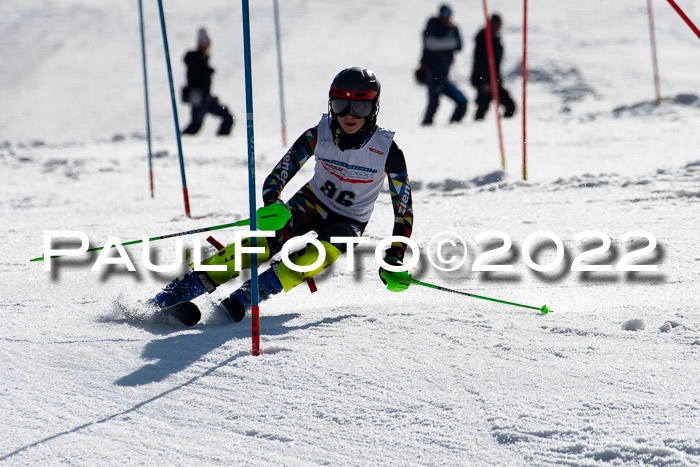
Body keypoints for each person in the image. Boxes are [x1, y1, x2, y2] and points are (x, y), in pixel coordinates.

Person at [152, 67, 414, 321]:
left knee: (317, 253)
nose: (349, 115)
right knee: (257, 245)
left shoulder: (388, 150)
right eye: (339, 105)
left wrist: (396, 255)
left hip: (349, 221)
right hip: (309, 203)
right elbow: (278, 175)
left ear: (374, 108)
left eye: (360, 107)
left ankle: (246, 297)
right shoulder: (318, 134)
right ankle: (175, 294)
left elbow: (403, 210)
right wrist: (272, 202)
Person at [418, 4, 468, 126]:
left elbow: (459, 46)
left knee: (462, 102)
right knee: (434, 103)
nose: (447, 17)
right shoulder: (433, 24)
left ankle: (453, 125)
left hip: (444, 75)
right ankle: (426, 126)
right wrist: (449, 42)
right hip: (433, 73)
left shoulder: (452, 29)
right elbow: (430, 43)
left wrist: (447, 40)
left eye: (449, 14)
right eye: (444, 14)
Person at [181, 28, 234, 136]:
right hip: (199, 98)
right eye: (203, 42)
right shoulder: (195, 58)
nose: (206, 45)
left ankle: (221, 141)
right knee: (195, 125)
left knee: (227, 117)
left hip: (206, 98)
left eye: (207, 42)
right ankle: (179, 141)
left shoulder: (203, 59)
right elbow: (194, 76)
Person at [470, 14, 516, 120]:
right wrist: (484, 81)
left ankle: (504, 126)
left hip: (494, 79)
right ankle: (478, 130)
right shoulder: (483, 38)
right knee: (482, 108)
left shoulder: (495, 38)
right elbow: (480, 62)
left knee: (510, 106)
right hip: (484, 80)